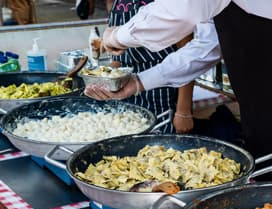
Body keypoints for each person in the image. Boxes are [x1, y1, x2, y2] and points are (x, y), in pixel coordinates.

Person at [92, 0, 272, 187]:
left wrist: (117, 37)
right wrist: (140, 82)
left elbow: (182, 11)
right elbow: (207, 46)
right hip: (266, 106)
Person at [84, 0, 221, 133]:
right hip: (127, 89)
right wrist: (106, 78)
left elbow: (191, 55)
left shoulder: (171, 5)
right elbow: (118, 56)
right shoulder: (116, 3)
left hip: (162, 93)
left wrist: (183, 111)